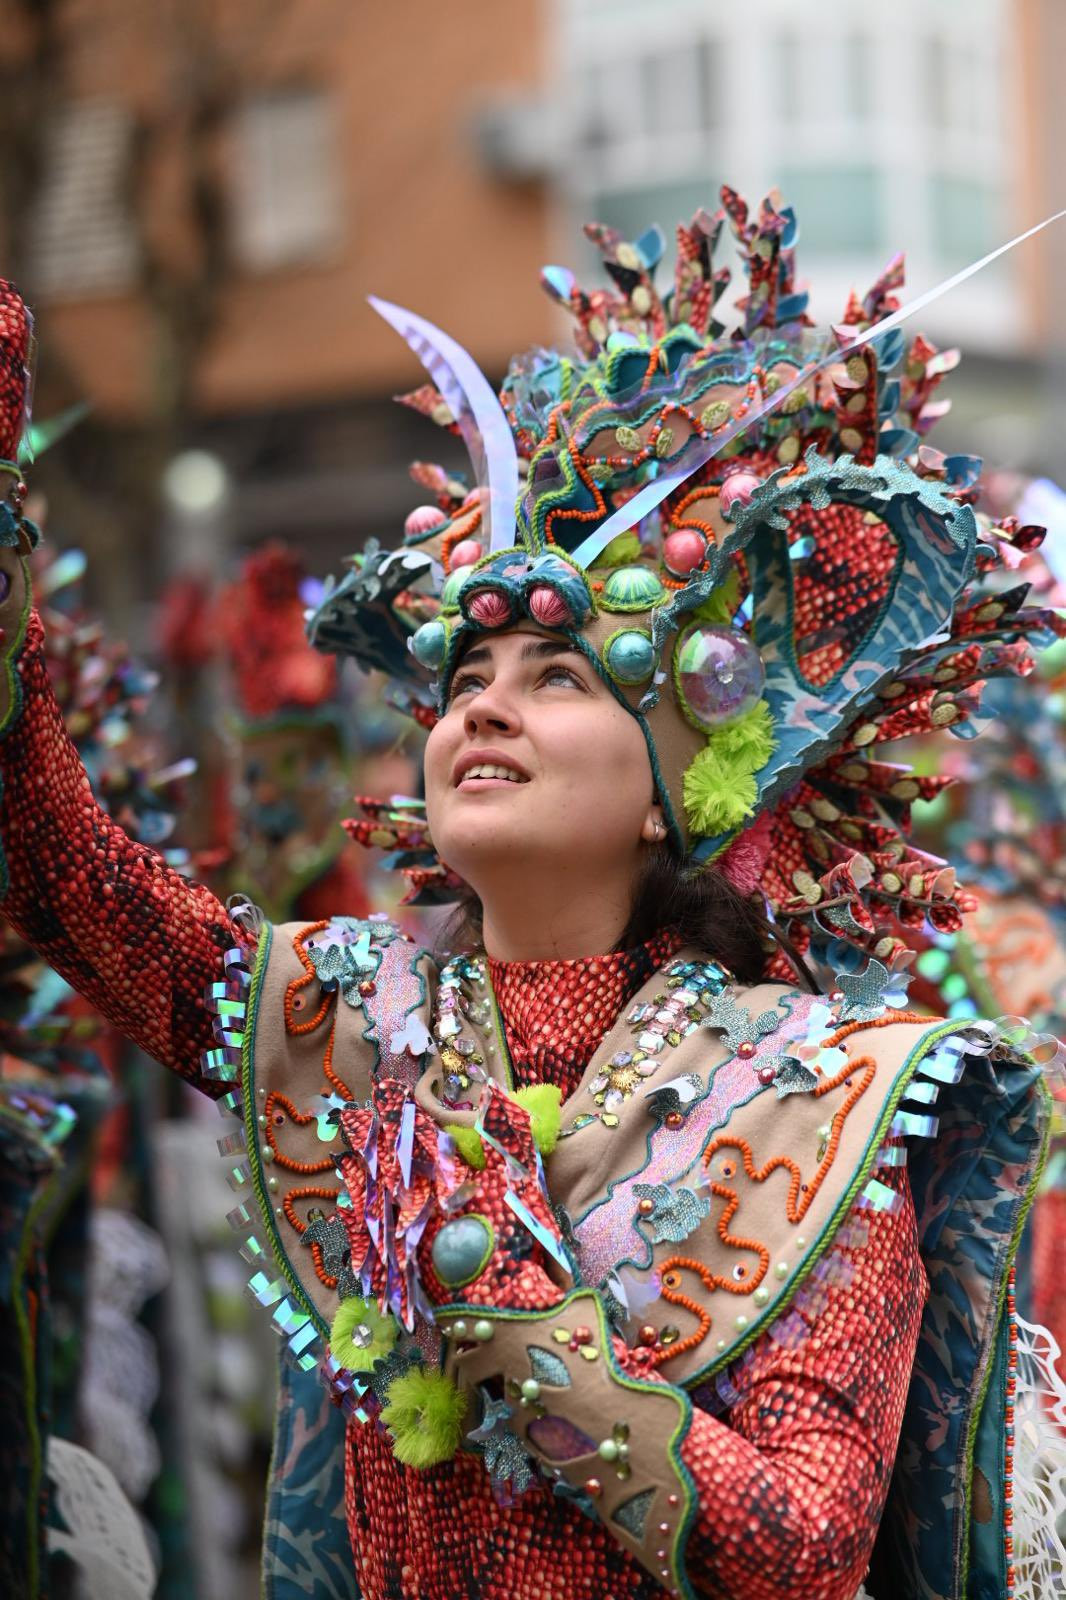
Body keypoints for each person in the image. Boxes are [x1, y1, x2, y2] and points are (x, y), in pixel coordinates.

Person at [0, 190, 1060, 1600]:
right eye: (462, 687)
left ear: (666, 795)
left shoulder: (823, 1095)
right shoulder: (339, 1018)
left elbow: (802, 1555)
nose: (481, 714)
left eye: (556, 680)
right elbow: (73, 890)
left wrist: (515, 1307)